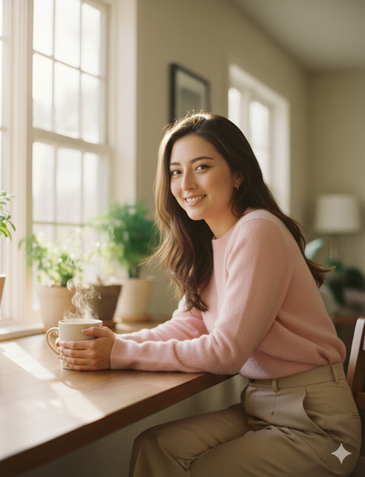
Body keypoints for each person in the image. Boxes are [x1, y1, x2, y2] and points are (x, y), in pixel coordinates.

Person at [57, 113, 361, 476]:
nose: (186, 183)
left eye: (201, 167)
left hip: (326, 432)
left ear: (238, 173)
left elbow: (227, 352)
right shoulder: (211, 243)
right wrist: (113, 344)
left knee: (202, 470)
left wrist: (122, 352)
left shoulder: (258, 230)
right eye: (175, 171)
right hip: (261, 407)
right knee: (155, 447)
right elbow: (190, 324)